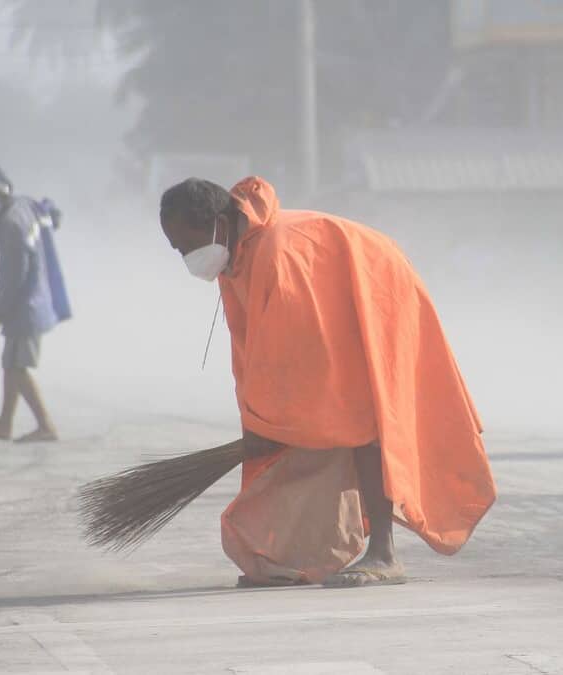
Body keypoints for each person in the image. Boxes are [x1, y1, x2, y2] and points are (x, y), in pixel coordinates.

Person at [158, 177, 496, 587]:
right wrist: (260, 420)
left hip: (379, 295)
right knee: (320, 427)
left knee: (358, 418)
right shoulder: (238, 260)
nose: (186, 257)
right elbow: (254, 352)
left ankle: (384, 555)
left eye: (186, 245)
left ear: (216, 223)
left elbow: (302, 359)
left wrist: (276, 423)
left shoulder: (277, 254)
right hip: (337, 308)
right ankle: (295, 557)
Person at [0, 166, 59, 443]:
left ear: (0, 194)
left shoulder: (11, 223)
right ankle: (5, 423)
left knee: (18, 366)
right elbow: (51, 213)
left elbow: (13, 274)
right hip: (29, 301)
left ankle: (46, 426)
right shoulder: (22, 206)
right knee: (10, 363)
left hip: (26, 305)